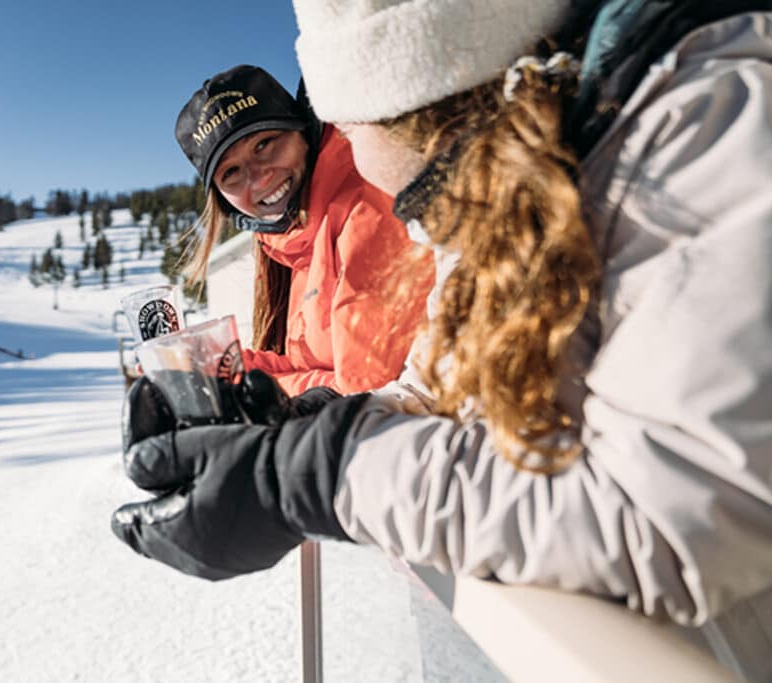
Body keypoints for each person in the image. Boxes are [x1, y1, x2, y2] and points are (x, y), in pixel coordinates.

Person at [114, 1, 772, 678]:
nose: (358, 159)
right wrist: (297, 425)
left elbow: (685, 518)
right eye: (232, 173)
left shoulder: (704, 119)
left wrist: (310, 471)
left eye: (347, 124)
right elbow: (442, 382)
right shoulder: (517, 164)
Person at [174, 65, 434, 396]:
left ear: (304, 131)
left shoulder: (367, 211)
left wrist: (251, 391)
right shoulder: (296, 245)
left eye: (264, 143)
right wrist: (212, 367)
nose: (258, 178)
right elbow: (311, 369)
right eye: (232, 173)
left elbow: (368, 394)